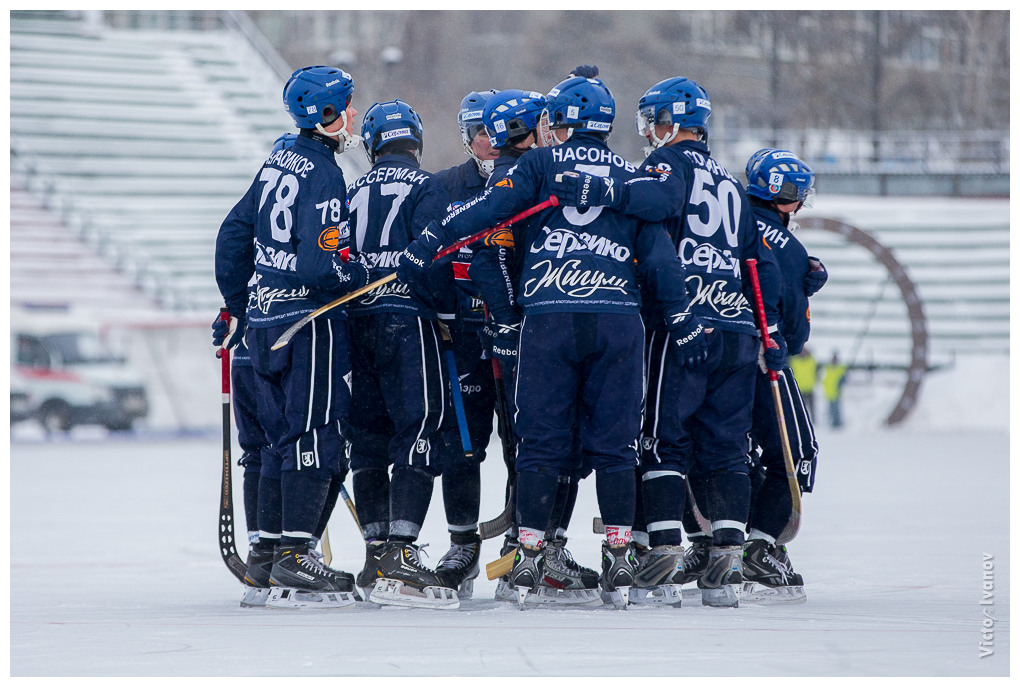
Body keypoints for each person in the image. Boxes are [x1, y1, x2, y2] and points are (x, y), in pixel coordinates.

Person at [398, 74, 695, 609]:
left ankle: (530, 554)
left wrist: (433, 240)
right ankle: (620, 557)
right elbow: (657, 255)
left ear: (557, 122)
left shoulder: (540, 164)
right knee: (614, 444)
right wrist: (680, 315)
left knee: (541, 441)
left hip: (550, 317)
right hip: (617, 320)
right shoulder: (629, 175)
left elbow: (489, 212)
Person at [558, 76, 785, 608]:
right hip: (737, 329)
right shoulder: (729, 181)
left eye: (652, 121)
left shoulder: (671, 163)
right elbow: (763, 267)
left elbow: (655, 199)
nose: (648, 133)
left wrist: (606, 190)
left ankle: (662, 552)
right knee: (727, 446)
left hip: (687, 323)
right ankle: (726, 557)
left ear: (670, 123)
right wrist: (768, 332)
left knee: (665, 440)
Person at [213, 65, 370, 609]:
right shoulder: (326, 173)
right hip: (309, 324)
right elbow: (319, 265)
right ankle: (297, 554)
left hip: (261, 320)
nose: (352, 115)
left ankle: (266, 552)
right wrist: (361, 275)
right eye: (346, 107)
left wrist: (236, 304)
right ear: (327, 116)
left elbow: (233, 234)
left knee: (270, 444)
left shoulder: (278, 157)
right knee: (314, 436)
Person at [468, 84, 602, 605]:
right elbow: (490, 257)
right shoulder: (518, 174)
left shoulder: (529, 168)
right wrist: (510, 320)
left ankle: (542, 546)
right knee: (546, 445)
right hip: (532, 333)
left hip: (537, 330)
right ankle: (534, 551)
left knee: (542, 444)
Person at [344, 99, 461, 609]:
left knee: (367, 439)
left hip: (355, 322)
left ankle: (375, 556)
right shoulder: (429, 186)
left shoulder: (350, 191)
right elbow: (435, 259)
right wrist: (449, 313)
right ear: (415, 140)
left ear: (372, 144)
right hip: (407, 322)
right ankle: (402, 552)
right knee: (419, 429)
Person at [742, 148, 826, 603]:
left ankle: (717, 542)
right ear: (787, 196)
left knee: (727, 450)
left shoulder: (728, 219)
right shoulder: (786, 244)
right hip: (761, 357)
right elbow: (793, 331)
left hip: (709, 350)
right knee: (796, 452)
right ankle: (759, 544)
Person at [429, 89, 500, 599]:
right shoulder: (443, 187)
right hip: (465, 335)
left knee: (530, 445)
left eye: (498, 131)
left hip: (524, 333)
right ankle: (463, 542)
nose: (489, 141)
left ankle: (532, 543)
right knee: (462, 444)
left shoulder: (535, 178)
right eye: (480, 131)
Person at [790, 348, 819, 419]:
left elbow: (817, 372)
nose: (804, 353)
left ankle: (814, 421)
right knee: (800, 409)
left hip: (810, 388)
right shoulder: (794, 361)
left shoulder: (812, 361)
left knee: (812, 409)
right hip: (799, 389)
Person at [823, 352, 848, 428]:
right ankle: (831, 422)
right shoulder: (828, 367)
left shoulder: (840, 368)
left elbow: (844, 379)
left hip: (837, 392)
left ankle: (837, 423)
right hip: (829, 391)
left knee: (836, 409)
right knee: (830, 409)